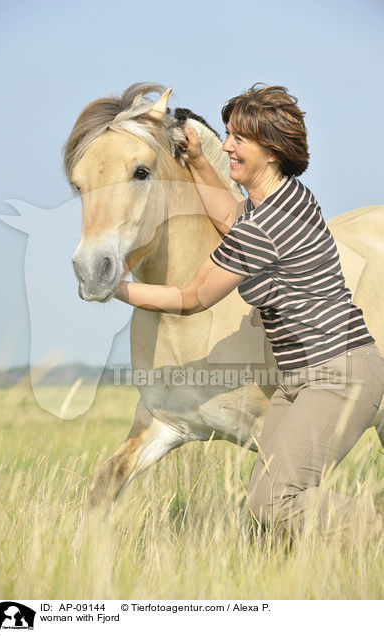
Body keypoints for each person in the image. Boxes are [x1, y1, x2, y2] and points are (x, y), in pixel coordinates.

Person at [115, 84, 384, 539]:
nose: (227, 146)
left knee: (276, 502)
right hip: (298, 380)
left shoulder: (267, 226)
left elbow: (191, 297)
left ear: (272, 149)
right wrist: (199, 160)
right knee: (262, 517)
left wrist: (116, 289)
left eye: (239, 138)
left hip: (337, 373)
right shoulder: (287, 199)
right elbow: (228, 216)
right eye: (226, 135)